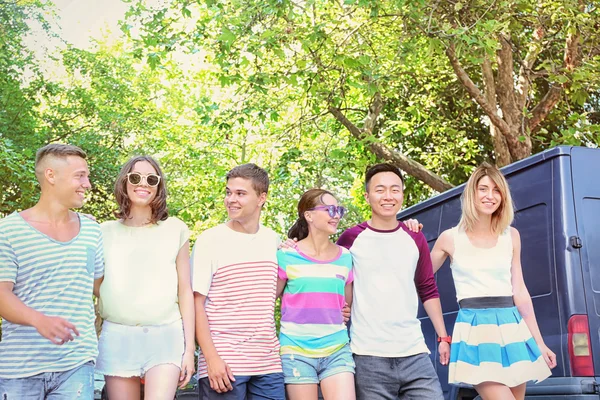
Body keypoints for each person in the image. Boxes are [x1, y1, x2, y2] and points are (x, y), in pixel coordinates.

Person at [430, 162, 555, 399]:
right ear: (471, 194)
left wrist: (539, 342)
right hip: (474, 328)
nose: (490, 196)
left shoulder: (511, 236)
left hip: (512, 327)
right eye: (483, 189)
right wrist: (442, 335)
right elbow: (419, 279)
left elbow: (520, 291)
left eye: (497, 190)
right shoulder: (450, 238)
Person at [336, 163, 449, 400]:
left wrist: (443, 336)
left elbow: (427, 287)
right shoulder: (351, 238)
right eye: (380, 190)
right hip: (368, 355)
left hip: (415, 352)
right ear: (367, 196)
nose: (388, 196)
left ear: (402, 195)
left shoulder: (414, 236)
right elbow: (327, 272)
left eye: (394, 190)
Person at [0, 143, 103, 399]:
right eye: (80, 176)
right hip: (20, 369)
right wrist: (40, 320)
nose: (87, 184)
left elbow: (102, 288)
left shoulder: (92, 231)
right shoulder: (9, 231)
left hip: (77, 364)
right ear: (51, 176)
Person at [95, 155, 195, 400]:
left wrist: (189, 349)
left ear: (159, 186)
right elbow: (95, 285)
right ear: (124, 182)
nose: (143, 184)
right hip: (118, 336)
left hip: (165, 335)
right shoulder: (102, 232)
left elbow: (185, 290)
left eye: (151, 179)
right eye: (135, 177)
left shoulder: (176, 229)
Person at [192, 163, 285, 400]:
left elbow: (271, 293)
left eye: (240, 194)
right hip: (224, 364)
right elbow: (196, 305)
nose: (231, 199)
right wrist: (211, 359)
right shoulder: (209, 240)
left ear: (261, 198)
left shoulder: (274, 241)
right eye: (228, 192)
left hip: (268, 364)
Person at [276, 189, 355, 400]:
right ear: (308, 215)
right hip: (296, 351)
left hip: (337, 349)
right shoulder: (286, 255)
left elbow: (346, 304)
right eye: (329, 209)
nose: (336, 215)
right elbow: (265, 301)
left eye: (339, 210)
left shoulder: (346, 257)